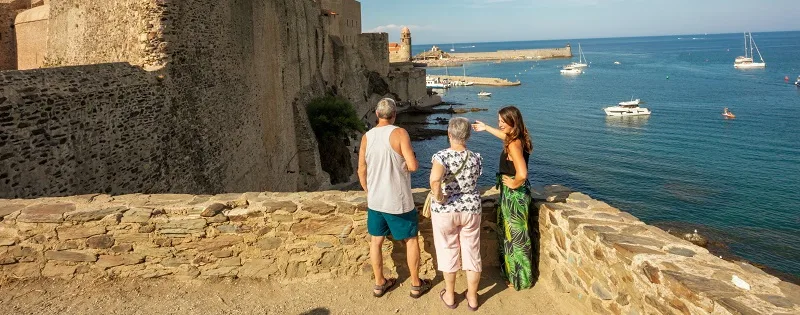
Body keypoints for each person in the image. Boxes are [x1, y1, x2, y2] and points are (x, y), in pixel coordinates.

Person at [357, 98, 432, 299]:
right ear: (394, 114)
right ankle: (416, 284)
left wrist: (367, 190)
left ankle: (379, 283)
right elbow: (414, 166)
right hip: (397, 200)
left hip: (375, 201)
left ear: (376, 114)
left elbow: (361, 169)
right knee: (411, 240)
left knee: (376, 241)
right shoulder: (399, 133)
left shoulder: (367, 136)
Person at [472, 106, 534, 291]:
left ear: (512, 121)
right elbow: (504, 137)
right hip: (515, 196)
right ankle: (517, 276)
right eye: (498, 120)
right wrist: (486, 128)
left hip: (514, 197)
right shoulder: (517, 137)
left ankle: (521, 280)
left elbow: (522, 174)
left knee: (517, 237)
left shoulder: (514, 144)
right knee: (515, 235)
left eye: (502, 121)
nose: (499, 124)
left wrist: (514, 184)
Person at [429, 117, 483, 311]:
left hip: (446, 211)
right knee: (472, 252)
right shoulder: (476, 157)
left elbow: (435, 181)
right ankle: (473, 298)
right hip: (471, 209)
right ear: (467, 136)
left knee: (448, 250)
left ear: (449, 134)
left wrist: (439, 198)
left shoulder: (441, 156)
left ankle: (450, 296)